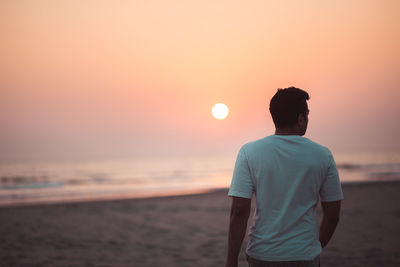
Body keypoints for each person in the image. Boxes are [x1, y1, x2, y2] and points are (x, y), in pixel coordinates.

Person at [225, 87, 343, 267]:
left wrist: (231, 260)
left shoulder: (249, 152)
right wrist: (313, 247)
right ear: (301, 118)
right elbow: (333, 215)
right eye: (307, 114)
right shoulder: (322, 155)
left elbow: (240, 211)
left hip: (262, 254)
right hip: (304, 255)